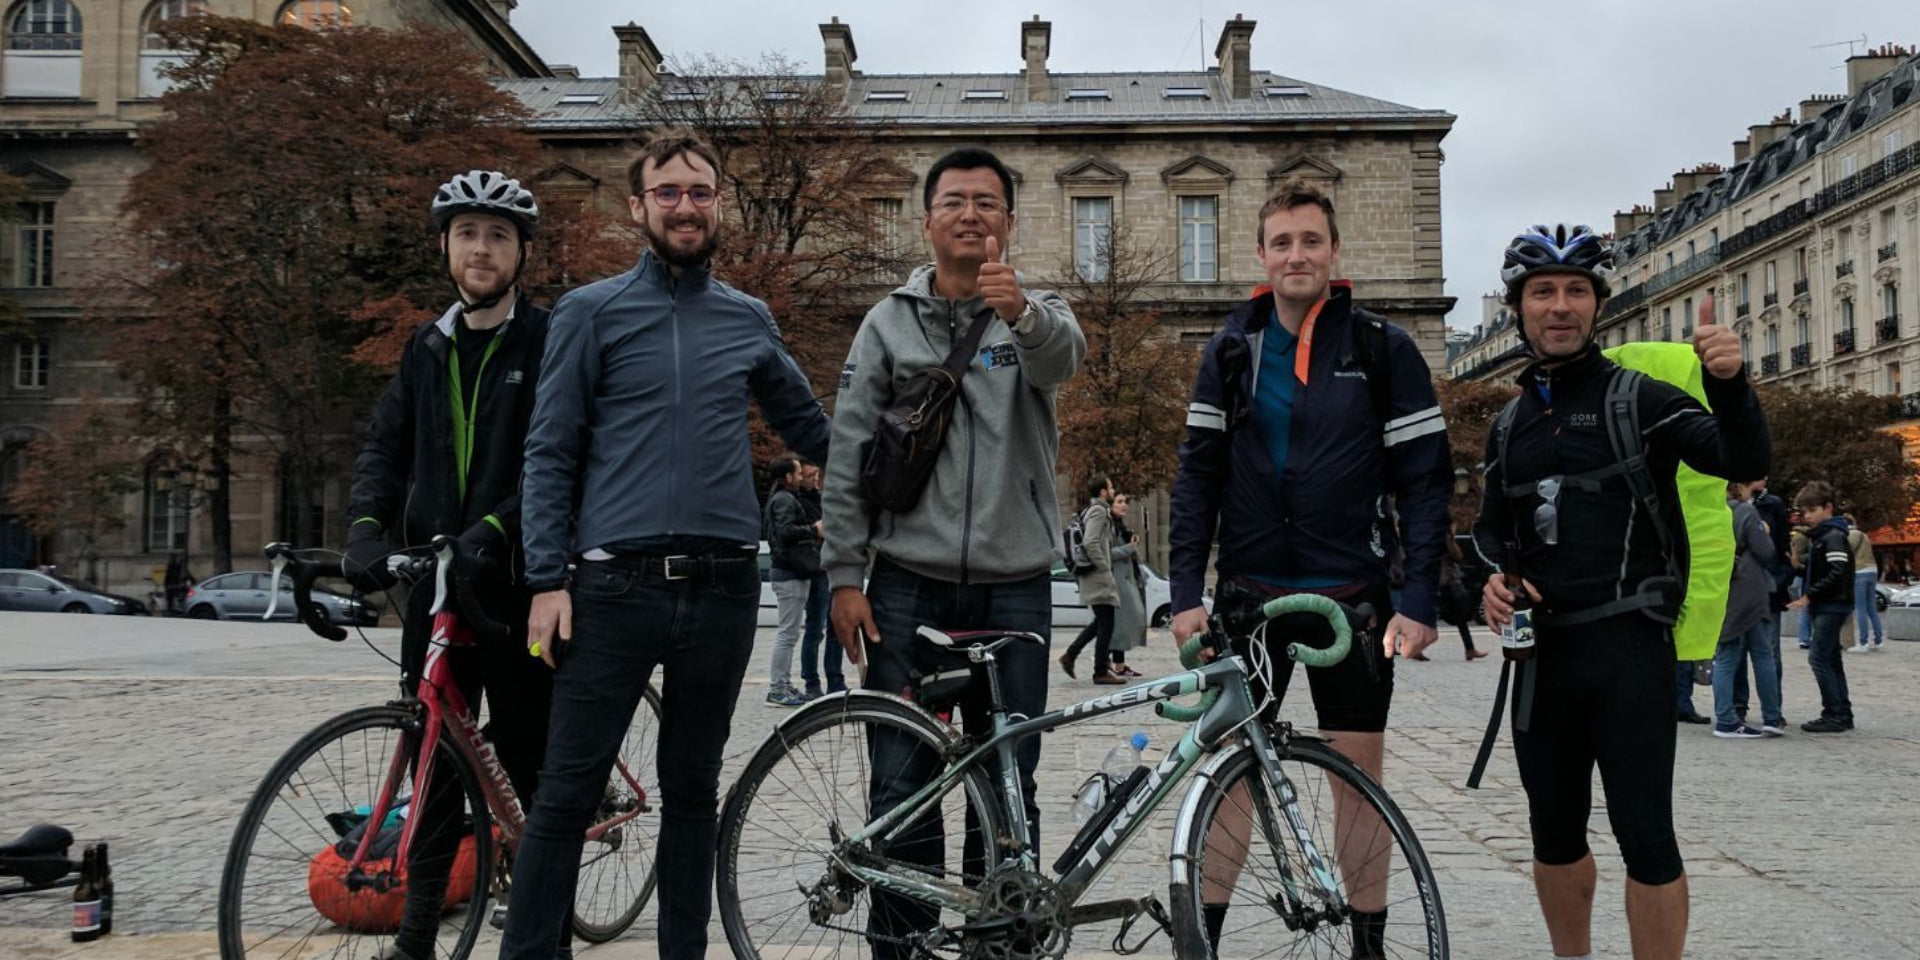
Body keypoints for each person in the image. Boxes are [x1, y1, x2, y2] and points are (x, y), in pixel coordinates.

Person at [503, 130, 831, 960]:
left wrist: (908, 430)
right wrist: (547, 576)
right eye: (669, 191)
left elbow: (815, 431)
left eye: (700, 191)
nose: (686, 206)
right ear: (638, 205)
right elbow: (549, 450)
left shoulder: (747, 317)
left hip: (722, 589)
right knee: (567, 791)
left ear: (719, 203)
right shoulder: (589, 311)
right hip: (612, 589)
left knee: (692, 793)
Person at [1168, 180, 1453, 958]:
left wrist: (1419, 598)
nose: (1298, 255)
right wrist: (1185, 593)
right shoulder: (1230, 348)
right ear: (1260, 255)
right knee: (1230, 783)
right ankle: (1207, 942)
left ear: (1334, 251)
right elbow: (1197, 476)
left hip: (1352, 599)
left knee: (1356, 781)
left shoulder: (1381, 347)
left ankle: (1367, 945)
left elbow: (1425, 482)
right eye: (1283, 242)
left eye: (1312, 241)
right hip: (1248, 598)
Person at [1475, 224, 1769, 960]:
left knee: (1646, 835)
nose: (1561, 306)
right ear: (1520, 309)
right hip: (1543, 661)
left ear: (1598, 305)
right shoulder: (1507, 424)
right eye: (1543, 292)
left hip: (1629, 646)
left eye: (1577, 291)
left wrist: (1732, 385)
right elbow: (1487, 533)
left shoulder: (1641, 398)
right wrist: (1489, 585)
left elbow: (1741, 457)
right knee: (1553, 832)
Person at [823, 145, 1084, 957]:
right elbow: (849, 452)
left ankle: (996, 944)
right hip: (906, 586)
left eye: (987, 202)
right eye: (953, 201)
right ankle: (900, 948)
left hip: (1015, 591)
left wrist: (1023, 316)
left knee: (1009, 788)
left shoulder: (1038, 312)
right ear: (927, 219)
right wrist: (844, 575)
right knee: (903, 783)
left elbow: (1062, 362)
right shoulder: (887, 323)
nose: (970, 213)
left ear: (1009, 220)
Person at [342, 171, 554, 960]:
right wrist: (365, 527)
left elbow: (556, 456)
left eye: (499, 235)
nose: (482, 249)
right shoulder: (425, 347)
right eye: (468, 233)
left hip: (519, 584)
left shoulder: (545, 338)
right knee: (433, 762)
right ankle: (418, 935)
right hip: (439, 585)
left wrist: (498, 527)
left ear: (521, 252)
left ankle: (538, 913)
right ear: (445, 246)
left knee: (528, 757)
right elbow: (383, 446)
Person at [1711, 481, 1783, 738]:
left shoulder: (1712, 510)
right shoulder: (1745, 511)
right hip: (1749, 588)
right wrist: (1764, 531)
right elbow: (1765, 551)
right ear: (1739, 486)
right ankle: (1770, 717)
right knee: (1762, 654)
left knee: (1726, 654)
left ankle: (1726, 716)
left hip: (1723, 586)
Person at [1786, 483, 1855, 733]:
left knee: (1819, 658)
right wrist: (1799, 567)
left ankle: (1834, 713)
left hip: (1832, 604)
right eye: (1804, 511)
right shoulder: (1824, 535)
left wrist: (1809, 596)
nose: (1807, 516)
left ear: (1828, 508)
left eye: (1812, 510)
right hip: (1831, 603)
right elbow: (1829, 571)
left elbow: (1838, 571)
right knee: (1831, 658)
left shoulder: (1832, 535)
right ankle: (1842, 711)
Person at [764, 457, 823, 706]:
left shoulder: (779, 498)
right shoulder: (785, 500)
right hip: (790, 574)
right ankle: (777, 687)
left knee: (789, 633)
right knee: (787, 634)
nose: (801, 477)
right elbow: (785, 532)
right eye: (798, 473)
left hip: (789, 574)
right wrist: (813, 529)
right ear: (788, 476)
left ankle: (784, 684)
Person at [1060, 475, 1123, 684]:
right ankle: (1099, 671)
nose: (1113, 491)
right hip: (1097, 576)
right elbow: (1091, 543)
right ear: (1104, 492)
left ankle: (1071, 656)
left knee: (1102, 621)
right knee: (1107, 622)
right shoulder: (1098, 511)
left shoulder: (1094, 510)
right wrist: (1104, 568)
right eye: (1111, 487)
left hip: (1094, 575)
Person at [794, 462, 844, 697]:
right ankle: (812, 682)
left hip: (829, 566)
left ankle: (835, 679)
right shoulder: (794, 501)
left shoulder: (822, 499)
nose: (816, 479)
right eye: (810, 475)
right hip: (813, 568)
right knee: (814, 629)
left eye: (817, 474)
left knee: (835, 628)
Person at [1107, 491, 1149, 676]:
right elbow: (1107, 552)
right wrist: (1129, 547)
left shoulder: (1120, 526)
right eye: (1120, 502)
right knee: (1116, 624)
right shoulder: (1107, 526)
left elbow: (1130, 554)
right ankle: (1099, 660)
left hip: (1127, 580)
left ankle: (1119, 664)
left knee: (1125, 622)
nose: (1124, 505)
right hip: (1115, 581)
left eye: (1126, 501)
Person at [1437, 536, 1490, 660]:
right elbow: (1458, 556)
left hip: (1439, 580)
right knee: (1456, 616)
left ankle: (1470, 649)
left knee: (1458, 618)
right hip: (1446, 581)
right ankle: (1470, 649)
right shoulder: (1443, 536)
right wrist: (1450, 540)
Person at [1845, 518, 1885, 651]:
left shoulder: (1849, 536)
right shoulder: (1864, 535)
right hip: (1872, 570)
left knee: (1860, 608)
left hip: (1859, 571)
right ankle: (1879, 641)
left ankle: (1863, 643)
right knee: (1871, 609)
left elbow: (1847, 554)